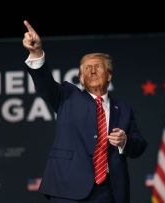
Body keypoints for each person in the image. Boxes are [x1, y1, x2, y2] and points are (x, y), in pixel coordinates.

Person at [22, 20, 148, 203]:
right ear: (81, 79)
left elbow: (140, 145)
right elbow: (45, 84)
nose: (93, 71)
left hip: (109, 190)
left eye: (98, 67)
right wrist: (36, 53)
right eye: (87, 68)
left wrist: (125, 141)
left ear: (109, 76)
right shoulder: (67, 96)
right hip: (68, 187)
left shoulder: (124, 110)